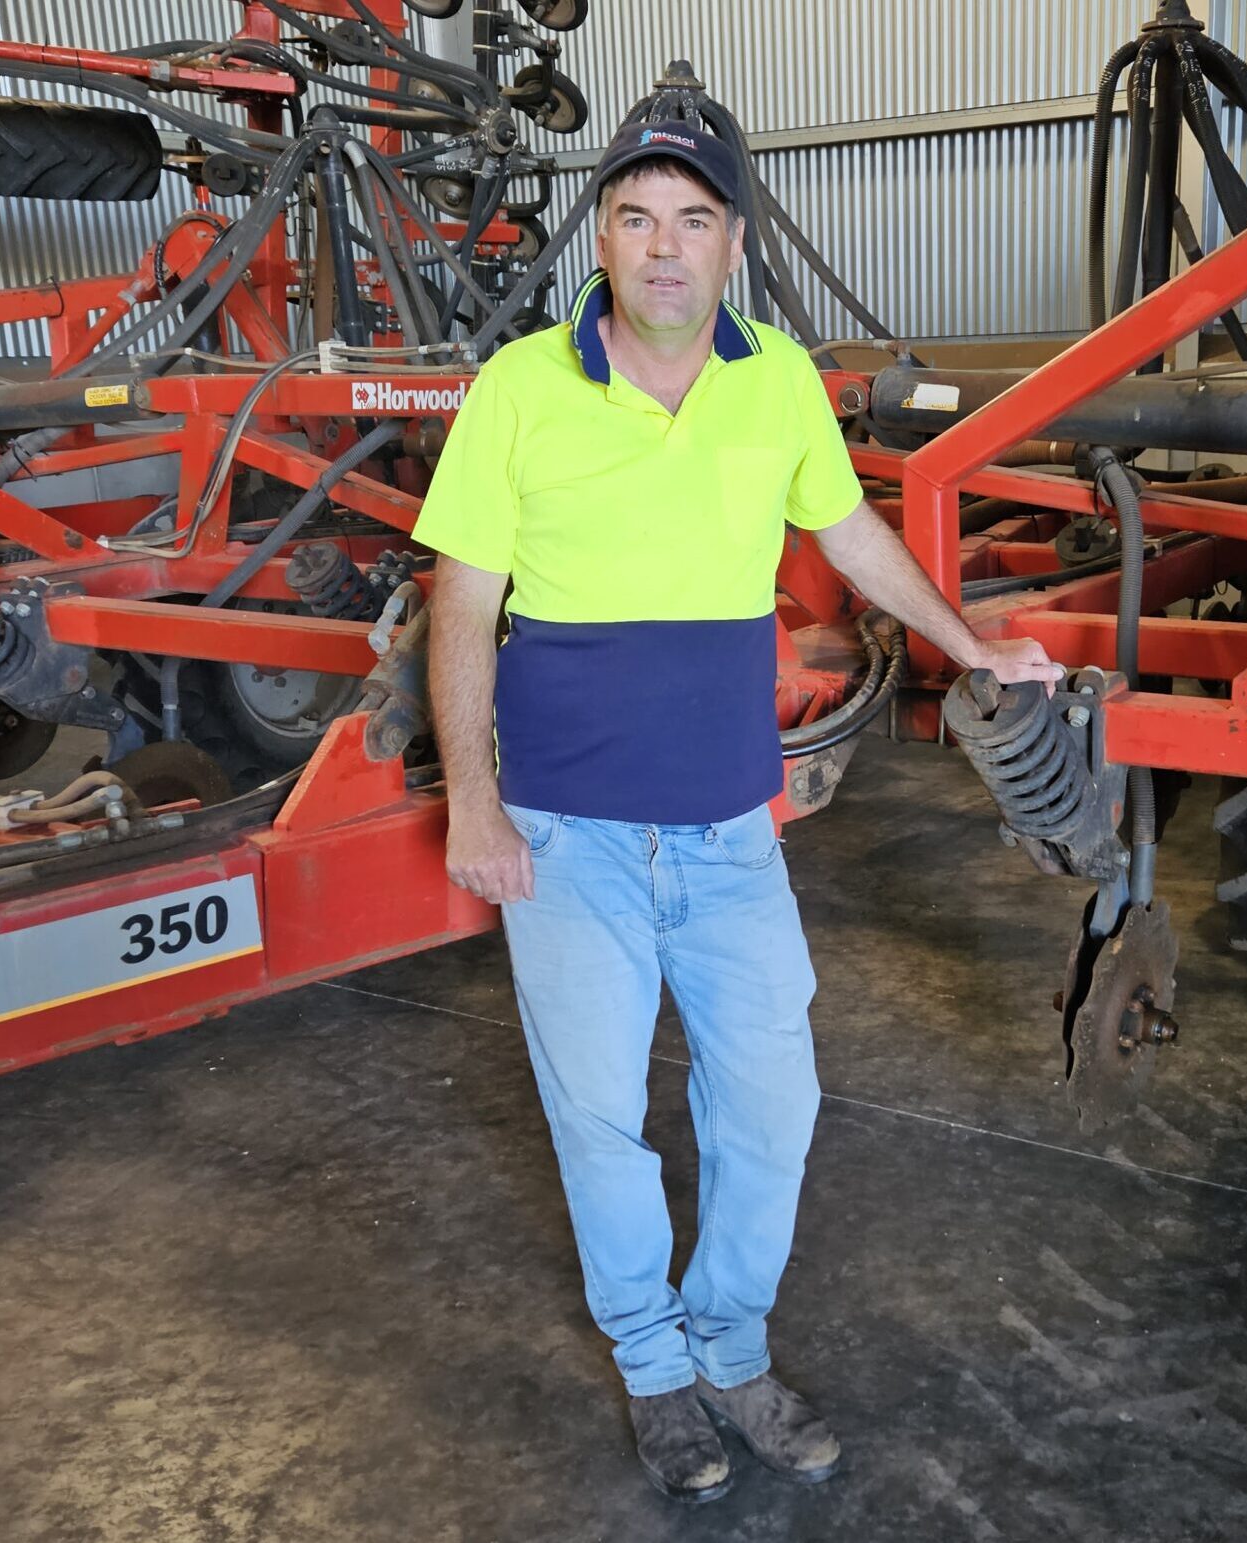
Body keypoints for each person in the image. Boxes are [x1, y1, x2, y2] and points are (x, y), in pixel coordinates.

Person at [413, 117, 1062, 1503]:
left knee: (770, 1105)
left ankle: (733, 1350)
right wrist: (476, 803)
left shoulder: (775, 383)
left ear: (734, 242)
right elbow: (460, 601)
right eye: (637, 216)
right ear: (601, 237)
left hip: (725, 831)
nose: (664, 245)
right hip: (570, 833)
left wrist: (965, 640)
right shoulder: (520, 388)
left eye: (693, 219)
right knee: (599, 1119)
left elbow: (846, 531)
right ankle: (656, 1373)